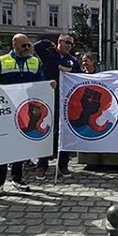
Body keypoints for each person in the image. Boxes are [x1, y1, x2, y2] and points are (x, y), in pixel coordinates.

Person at [0, 33, 43, 196]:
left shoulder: (34, 61)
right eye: (23, 45)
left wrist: (48, 85)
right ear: (14, 45)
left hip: (25, 110)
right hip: (6, 111)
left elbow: (41, 82)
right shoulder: (3, 61)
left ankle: (17, 178)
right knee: (3, 147)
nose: (26, 48)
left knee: (20, 146)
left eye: (28, 45)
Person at [33, 33, 80, 178]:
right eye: (67, 43)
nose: (69, 46)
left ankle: (63, 165)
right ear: (59, 42)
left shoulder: (72, 60)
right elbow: (37, 45)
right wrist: (51, 44)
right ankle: (42, 165)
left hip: (65, 100)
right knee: (46, 131)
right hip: (48, 98)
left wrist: (69, 71)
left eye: (71, 44)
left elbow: (79, 75)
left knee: (64, 132)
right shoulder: (49, 54)